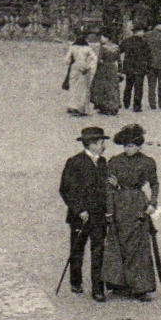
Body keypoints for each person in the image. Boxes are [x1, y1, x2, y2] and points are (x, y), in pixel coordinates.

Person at [100, 123, 160, 301]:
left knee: (139, 246)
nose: (128, 149)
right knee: (117, 244)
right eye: (126, 146)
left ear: (139, 146)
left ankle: (140, 287)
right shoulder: (115, 162)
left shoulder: (148, 162)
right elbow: (108, 188)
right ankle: (119, 284)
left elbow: (154, 184)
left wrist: (153, 203)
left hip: (137, 204)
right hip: (119, 204)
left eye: (132, 146)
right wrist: (109, 211)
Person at [59, 126, 110, 301]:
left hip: (98, 215)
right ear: (92, 144)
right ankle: (76, 282)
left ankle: (98, 289)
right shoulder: (74, 162)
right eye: (101, 143)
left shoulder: (103, 162)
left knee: (98, 251)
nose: (104, 146)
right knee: (77, 249)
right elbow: (66, 189)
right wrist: (79, 209)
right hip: (80, 217)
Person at [63, 33, 97, 116]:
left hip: (75, 67)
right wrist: (89, 66)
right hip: (84, 66)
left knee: (73, 86)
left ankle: (72, 105)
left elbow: (66, 60)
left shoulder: (72, 47)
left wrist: (70, 63)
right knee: (83, 88)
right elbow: (95, 59)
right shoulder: (88, 48)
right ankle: (81, 107)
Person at [90, 32, 123, 115]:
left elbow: (99, 60)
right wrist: (120, 71)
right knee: (113, 87)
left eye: (103, 37)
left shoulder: (103, 48)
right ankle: (114, 105)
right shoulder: (116, 47)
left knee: (103, 87)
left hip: (104, 68)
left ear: (107, 38)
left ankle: (104, 106)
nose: (101, 39)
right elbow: (119, 60)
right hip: (113, 68)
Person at [120, 26, 151, 113]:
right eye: (142, 31)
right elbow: (149, 55)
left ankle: (126, 102)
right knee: (138, 87)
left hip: (129, 67)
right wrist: (148, 66)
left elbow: (120, 50)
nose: (143, 33)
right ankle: (137, 106)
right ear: (138, 32)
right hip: (140, 68)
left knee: (128, 85)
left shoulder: (127, 41)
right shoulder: (144, 42)